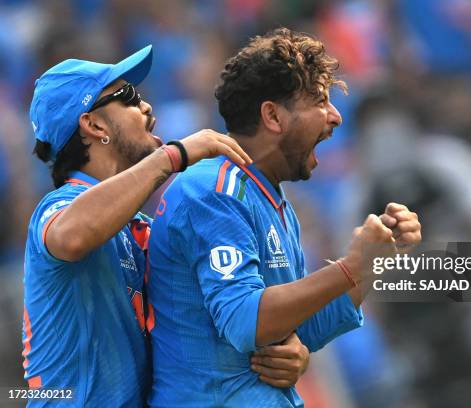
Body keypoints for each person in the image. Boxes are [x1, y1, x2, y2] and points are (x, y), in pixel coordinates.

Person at [146, 28, 422, 407]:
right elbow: (247, 322)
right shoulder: (213, 192)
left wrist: (370, 265)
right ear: (272, 115)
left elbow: (300, 328)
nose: (336, 117)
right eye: (319, 101)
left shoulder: (270, 198)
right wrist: (349, 266)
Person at [23, 45, 257, 407]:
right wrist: (173, 156)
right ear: (94, 124)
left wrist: (286, 351)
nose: (147, 106)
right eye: (129, 97)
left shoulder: (138, 227)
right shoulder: (58, 209)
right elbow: (72, 236)